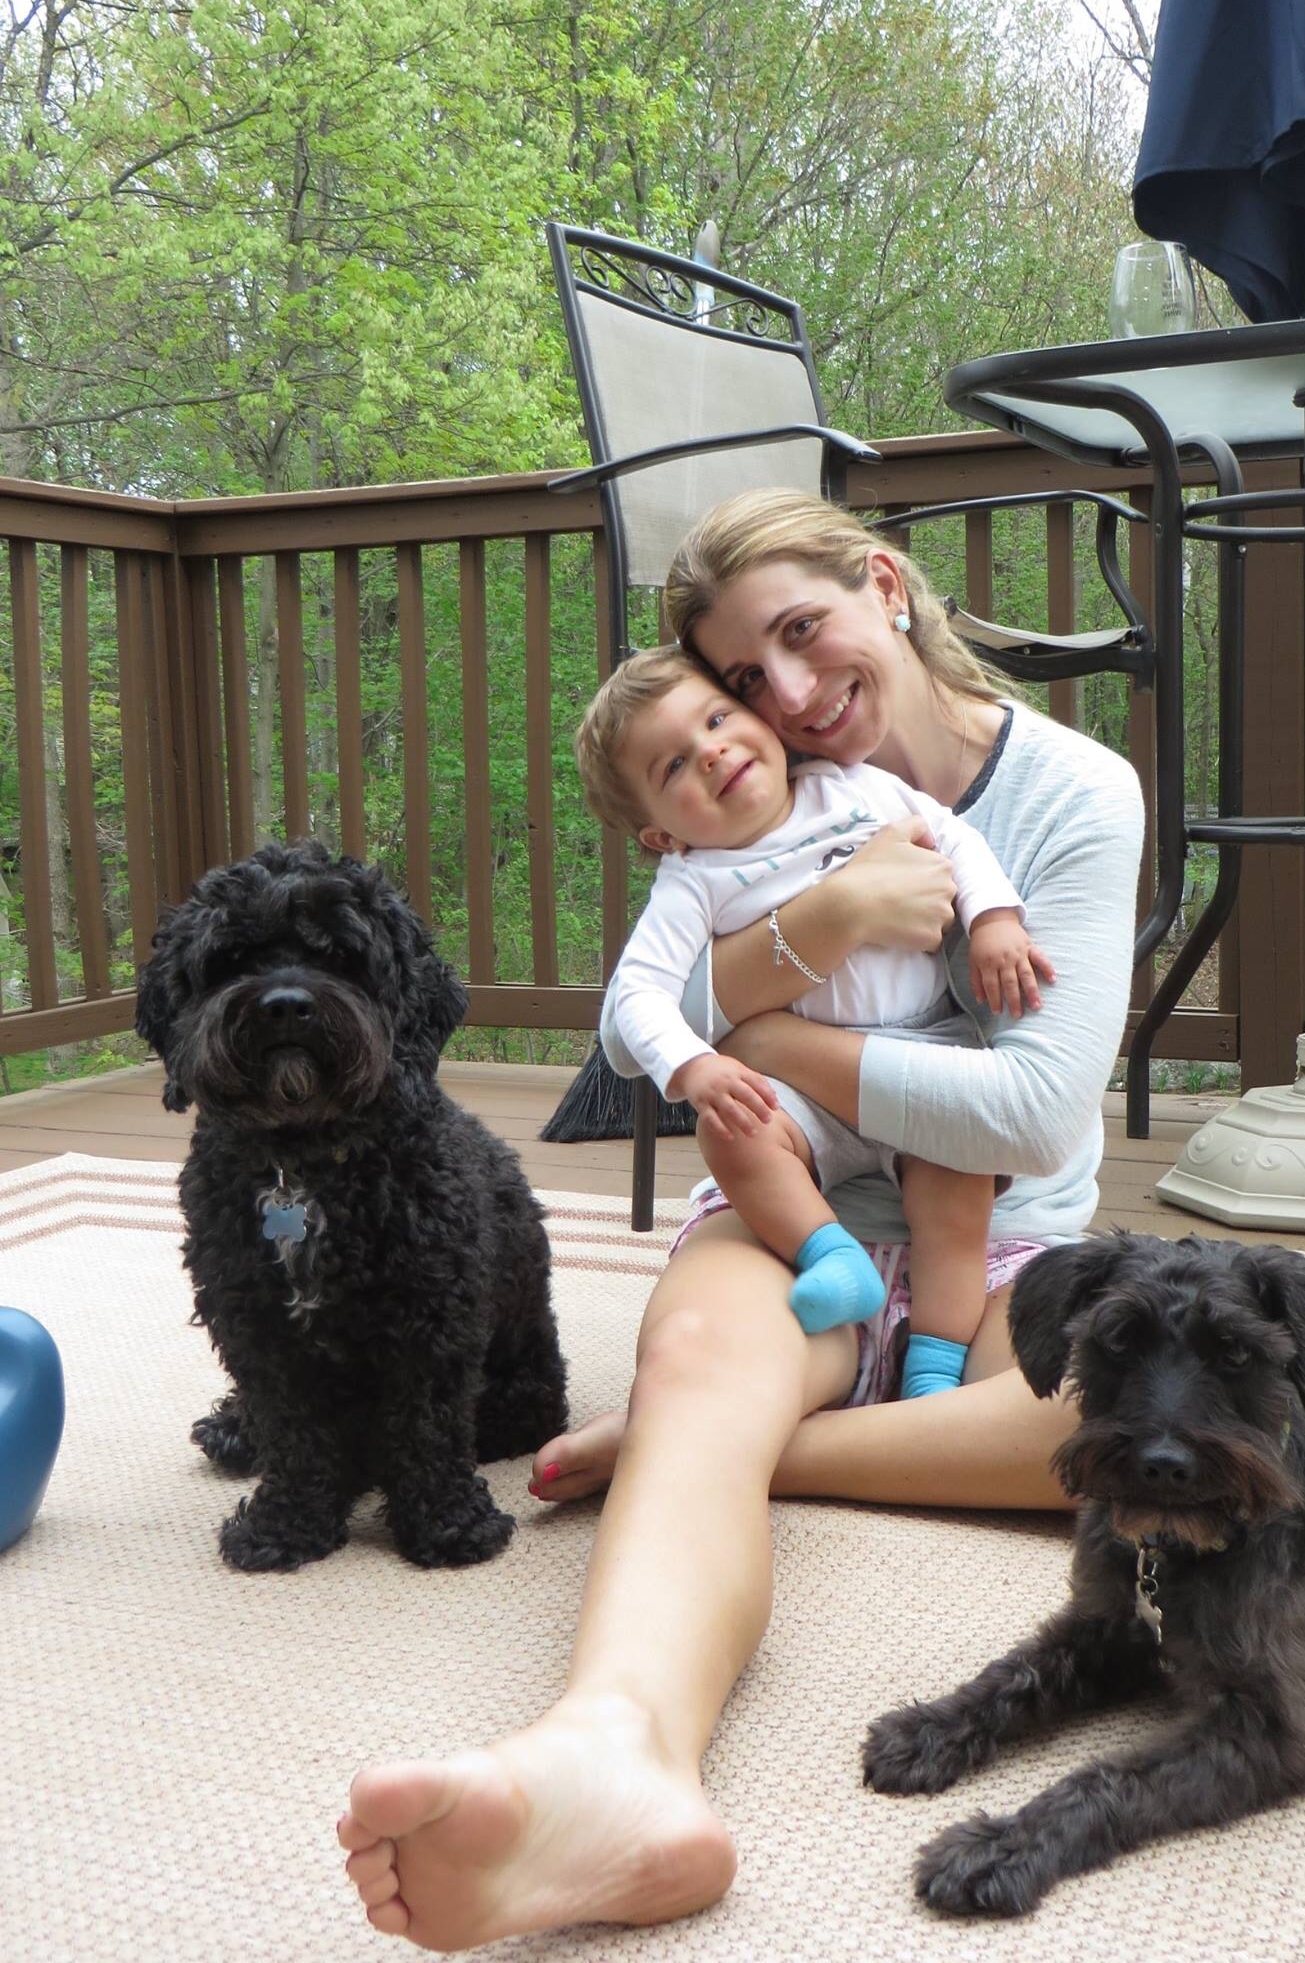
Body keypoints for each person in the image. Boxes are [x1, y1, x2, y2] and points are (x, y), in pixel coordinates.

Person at [337, 487, 1145, 1949]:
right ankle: (614, 1763)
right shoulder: (744, 817)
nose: (786, 694)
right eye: (741, 675)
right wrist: (812, 933)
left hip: (1005, 1234)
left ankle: (711, 1444)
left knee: (1149, 1415)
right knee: (708, 1354)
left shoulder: (1072, 793)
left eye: (803, 631)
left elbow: (1028, 1115)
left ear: (885, 584)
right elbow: (644, 1026)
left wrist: (766, 1026)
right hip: (792, 1212)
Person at [577, 640, 1050, 1398]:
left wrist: (993, 918)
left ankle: (933, 1367)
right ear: (662, 835)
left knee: (958, 1194)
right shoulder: (694, 878)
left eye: (717, 719)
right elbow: (637, 994)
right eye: (673, 765)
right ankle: (831, 1256)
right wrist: (693, 1068)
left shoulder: (852, 787)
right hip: (803, 1094)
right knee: (732, 1131)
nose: (710, 751)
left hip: (927, 1050)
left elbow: (955, 839)